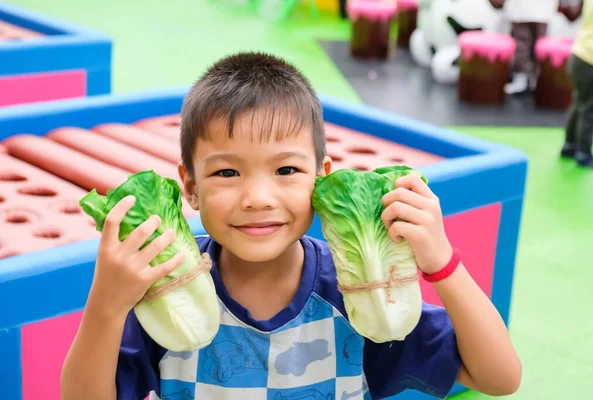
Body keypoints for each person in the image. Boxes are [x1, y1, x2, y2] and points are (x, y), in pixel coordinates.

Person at [61, 52, 522, 400]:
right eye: (227, 172)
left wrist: (441, 262)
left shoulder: (357, 291)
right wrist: (106, 303)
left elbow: (499, 377)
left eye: (286, 171)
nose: (259, 197)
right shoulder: (164, 284)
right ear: (191, 185)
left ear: (322, 179)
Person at [490, 0, 561, 94]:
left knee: (536, 46)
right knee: (524, 45)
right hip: (524, 9)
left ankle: (532, 79)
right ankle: (524, 78)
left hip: (537, 10)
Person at [561, 0, 593, 168]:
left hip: (580, 54)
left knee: (580, 103)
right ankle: (584, 153)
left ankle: (569, 146)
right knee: (590, 108)